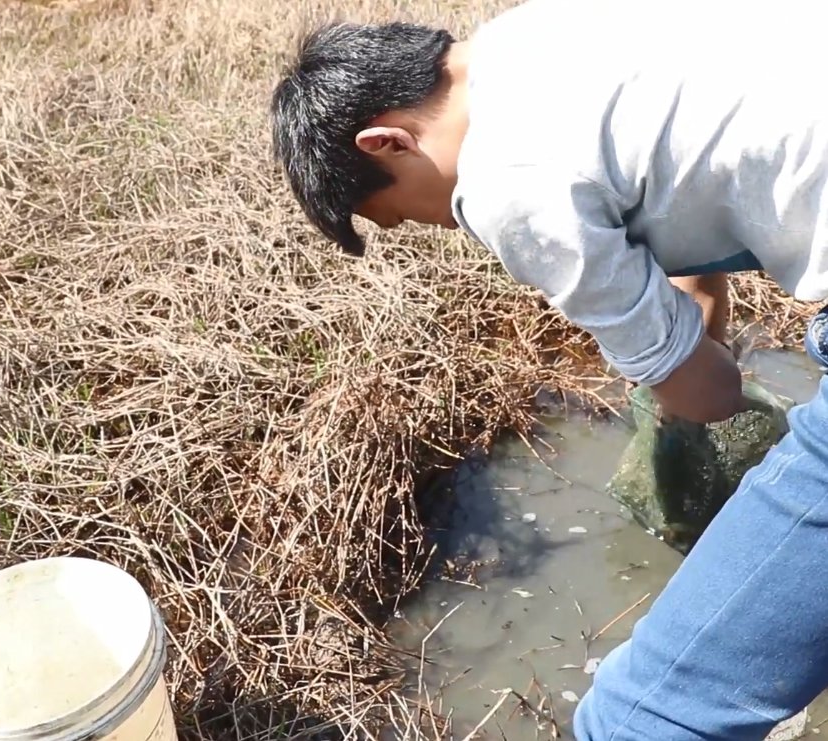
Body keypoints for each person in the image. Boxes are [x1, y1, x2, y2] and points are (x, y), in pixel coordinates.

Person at [270, 0, 828, 738]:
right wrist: (681, 348)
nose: (444, 226)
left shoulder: (506, 184)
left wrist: (679, 407)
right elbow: (692, 234)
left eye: (406, 214)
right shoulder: (535, 33)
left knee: (632, 717)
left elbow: (713, 393)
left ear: (387, 142)